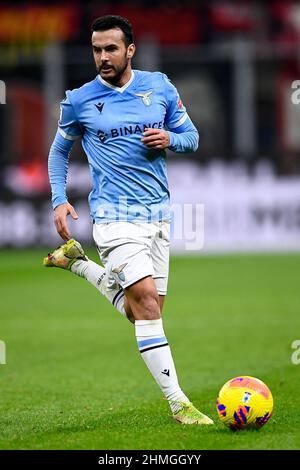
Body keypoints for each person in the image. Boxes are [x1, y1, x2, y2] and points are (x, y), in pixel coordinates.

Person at [44, 15, 213, 425]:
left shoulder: (159, 87)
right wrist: (60, 199)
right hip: (113, 217)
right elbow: (58, 152)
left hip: (158, 215)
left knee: (142, 313)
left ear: (130, 50)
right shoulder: (80, 100)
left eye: (111, 49)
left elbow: (191, 138)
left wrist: (171, 139)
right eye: (97, 49)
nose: (103, 57)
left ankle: (77, 264)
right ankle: (180, 406)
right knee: (149, 306)